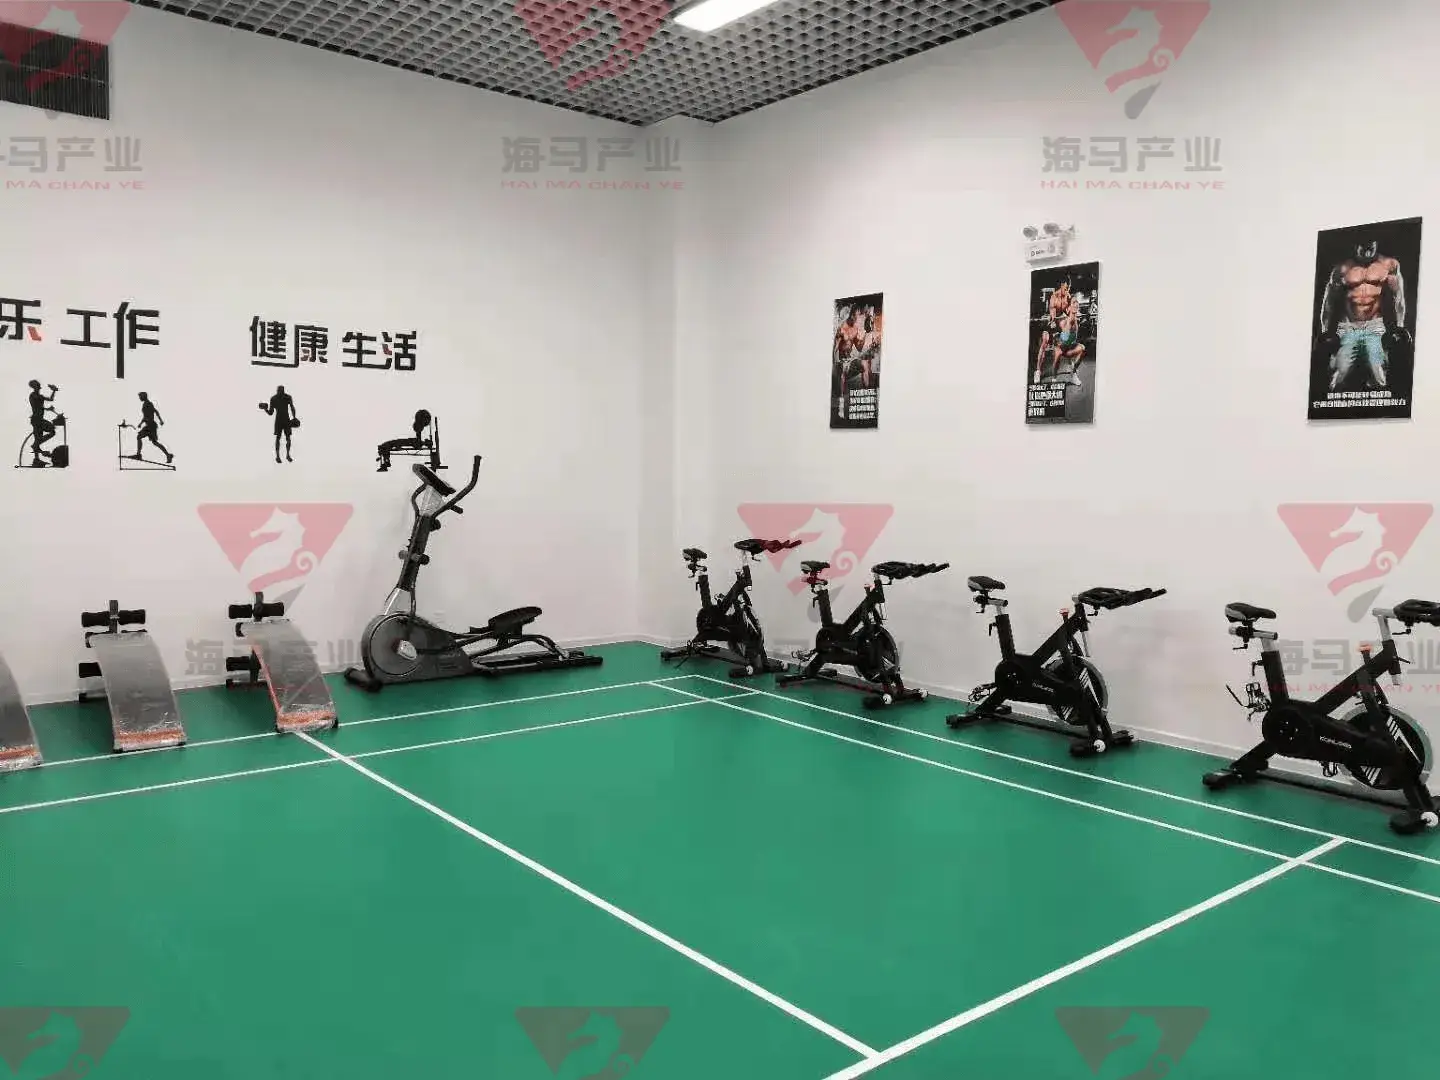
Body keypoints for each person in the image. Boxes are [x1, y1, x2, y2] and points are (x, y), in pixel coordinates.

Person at [1318, 238, 1411, 392]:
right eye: (1364, 247)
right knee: (1338, 377)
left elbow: (1398, 297)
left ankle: (1374, 392)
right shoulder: (1342, 269)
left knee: (1379, 375)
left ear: (1376, 243)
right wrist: (1325, 330)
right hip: (1348, 327)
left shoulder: (1389, 265)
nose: (1367, 251)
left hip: (1374, 326)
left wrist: (1400, 326)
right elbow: (1329, 301)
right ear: (1356, 245)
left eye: (1371, 246)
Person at [259, 385, 299, 464]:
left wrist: (294, 417)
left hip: (286, 420)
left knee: (287, 438)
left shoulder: (287, 397)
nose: (280, 392)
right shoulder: (274, 398)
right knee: (278, 438)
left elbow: (292, 407)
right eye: (279, 390)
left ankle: (287, 455)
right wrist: (265, 409)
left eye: (281, 390)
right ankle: (278, 456)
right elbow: (271, 412)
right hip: (279, 420)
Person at [132, 391, 173, 464]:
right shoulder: (145, 404)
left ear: (144, 396)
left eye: (140, 396)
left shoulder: (148, 403)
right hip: (149, 426)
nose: (139, 398)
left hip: (151, 426)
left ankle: (138, 455)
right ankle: (168, 455)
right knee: (154, 442)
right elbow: (146, 416)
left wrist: (160, 420)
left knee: (140, 437)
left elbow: (155, 411)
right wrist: (141, 423)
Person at [26, 379, 59, 466]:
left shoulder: (38, 396)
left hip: (39, 419)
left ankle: (36, 458)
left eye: (38, 386)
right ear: (35, 387)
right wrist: (53, 390)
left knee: (39, 438)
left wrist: (53, 391)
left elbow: (50, 400)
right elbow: (37, 405)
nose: (39, 388)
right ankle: (36, 447)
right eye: (37, 386)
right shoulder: (33, 395)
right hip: (37, 420)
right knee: (51, 430)